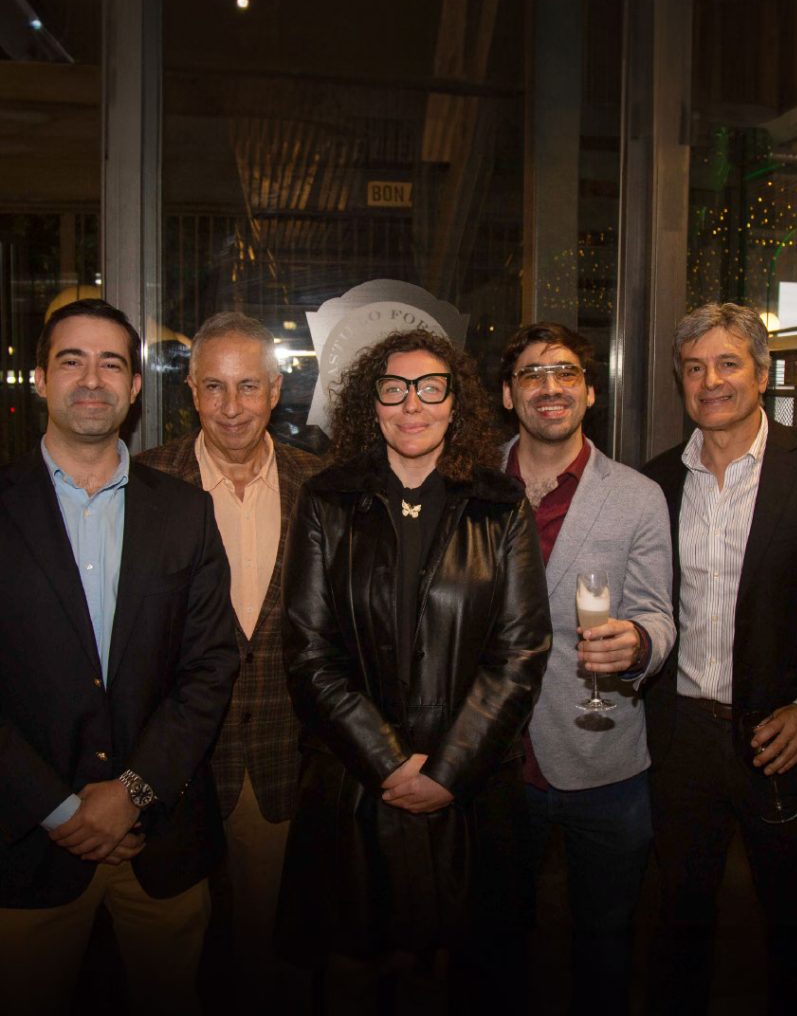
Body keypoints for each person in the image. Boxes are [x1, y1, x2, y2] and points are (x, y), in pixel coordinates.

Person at [275, 329, 551, 1012]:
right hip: (356, 788)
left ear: (456, 404)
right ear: (371, 406)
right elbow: (309, 652)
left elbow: (520, 653)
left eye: (431, 388)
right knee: (353, 982)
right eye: (394, 389)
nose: (412, 404)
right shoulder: (327, 500)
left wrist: (446, 771)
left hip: (469, 795)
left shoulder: (500, 504)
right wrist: (391, 763)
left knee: (464, 985)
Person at [0, 298, 237, 1015]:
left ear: (135, 388)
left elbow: (210, 666)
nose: (91, 379)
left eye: (111, 364)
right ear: (40, 378)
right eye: (71, 360)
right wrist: (59, 808)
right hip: (26, 845)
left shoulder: (186, 512)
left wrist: (132, 791)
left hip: (158, 841)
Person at [642, 303, 797, 1014]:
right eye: (694, 368)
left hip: (781, 735)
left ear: (761, 374)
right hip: (681, 740)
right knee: (678, 923)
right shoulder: (657, 482)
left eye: (728, 364)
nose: (711, 382)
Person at [137, 311, 324, 1009]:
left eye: (249, 386)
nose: (232, 406)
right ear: (191, 391)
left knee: (266, 958)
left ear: (276, 390)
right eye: (214, 386)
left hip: (279, 762)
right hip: (170, 769)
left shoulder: (321, 485)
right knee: (170, 964)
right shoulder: (145, 482)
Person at [497, 321, 674, 1015]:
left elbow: (658, 614)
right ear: (509, 395)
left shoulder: (636, 495)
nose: (551, 387)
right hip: (492, 760)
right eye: (533, 374)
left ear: (590, 392)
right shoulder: (470, 483)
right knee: (495, 943)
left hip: (604, 761)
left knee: (605, 945)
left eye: (566, 372)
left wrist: (640, 643)